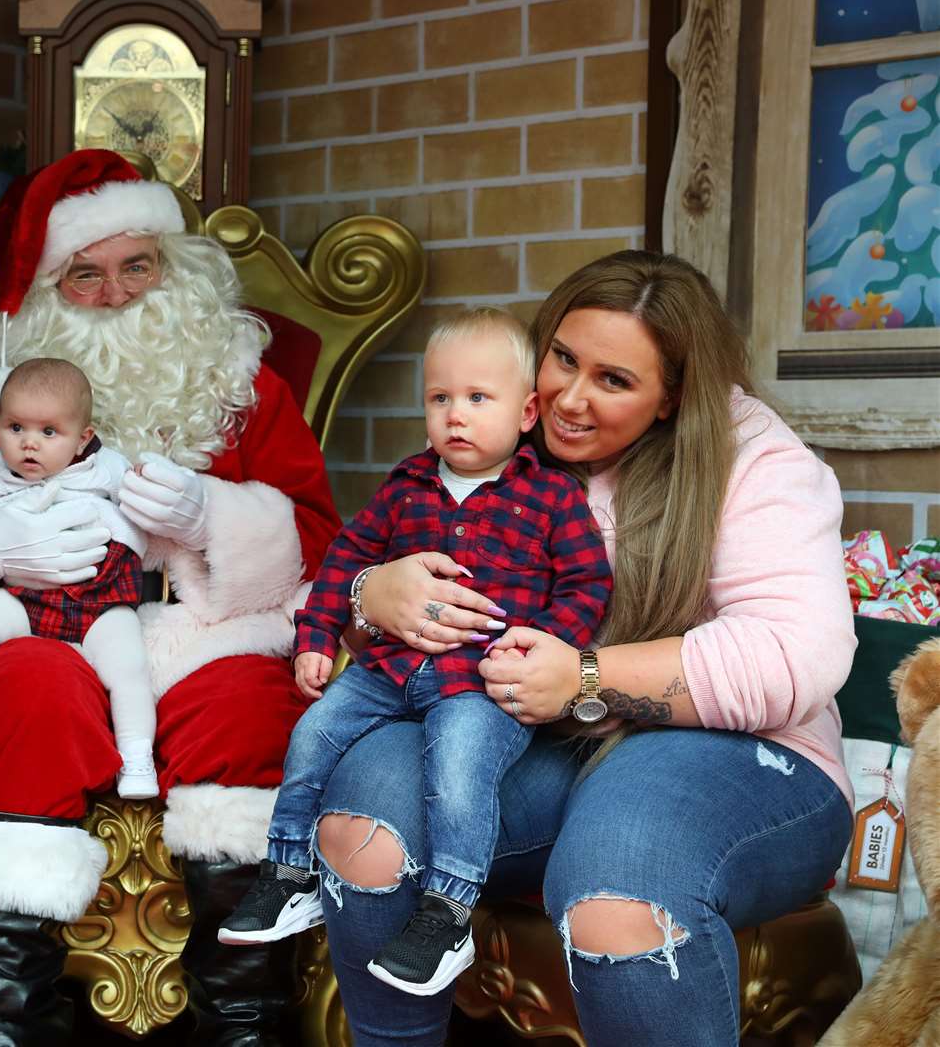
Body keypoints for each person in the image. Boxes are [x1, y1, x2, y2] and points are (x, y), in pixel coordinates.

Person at [310, 250, 856, 1046]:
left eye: (614, 381)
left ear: (671, 399)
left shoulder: (755, 458)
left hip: (737, 750)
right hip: (543, 736)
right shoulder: (498, 433)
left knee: (619, 888)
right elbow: (361, 602)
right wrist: (374, 594)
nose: (569, 396)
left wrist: (583, 675)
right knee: (362, 818)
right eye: (563, 359)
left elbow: (792, 654)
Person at [0, 149, 341, 1045]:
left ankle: (244, 1018)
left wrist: (214, 512)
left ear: (171, 268)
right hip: (45, 629)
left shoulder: (247, 383)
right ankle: (11, 1021)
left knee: (246, 709)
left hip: (203, 628)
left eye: (138, 265)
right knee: (26, 692)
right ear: (44, 285)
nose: (116, 295)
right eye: (84, 274)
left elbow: (323, 540)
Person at [217, 309, 610, 998]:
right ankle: (286, 877)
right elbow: (348, 557)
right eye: (440, 398)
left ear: (526, 414)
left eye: (477, 399)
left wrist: (542, 640)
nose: (456, 415)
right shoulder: (408, 483)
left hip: (481, 685)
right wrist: (315, 636)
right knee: (313, 732)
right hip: (392, 668)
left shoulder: (550, 497)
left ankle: (447, 912)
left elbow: (587, 583)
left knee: (459, 769)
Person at [0, 356, 158, 797]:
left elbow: (146, 502)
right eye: (15, 428)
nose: (29, 445)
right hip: (27, 599)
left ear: (83, 439)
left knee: (130, 668)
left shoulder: (106, 468)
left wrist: (155, 485)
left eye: (49, 432)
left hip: (99, 603)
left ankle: (136, 758)